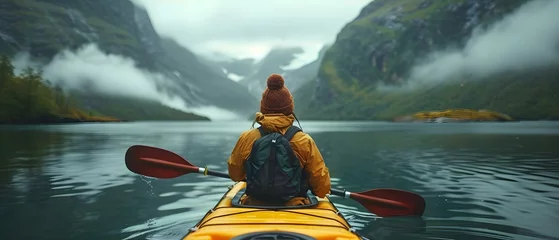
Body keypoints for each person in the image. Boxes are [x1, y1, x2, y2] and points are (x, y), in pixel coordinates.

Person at [227, 73, 331, 206]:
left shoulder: (247, 138)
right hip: (294, 205)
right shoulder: (304, 141)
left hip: (254, 203)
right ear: (289, 108)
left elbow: (235, 175)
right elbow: (322, 188)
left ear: (263, 108)